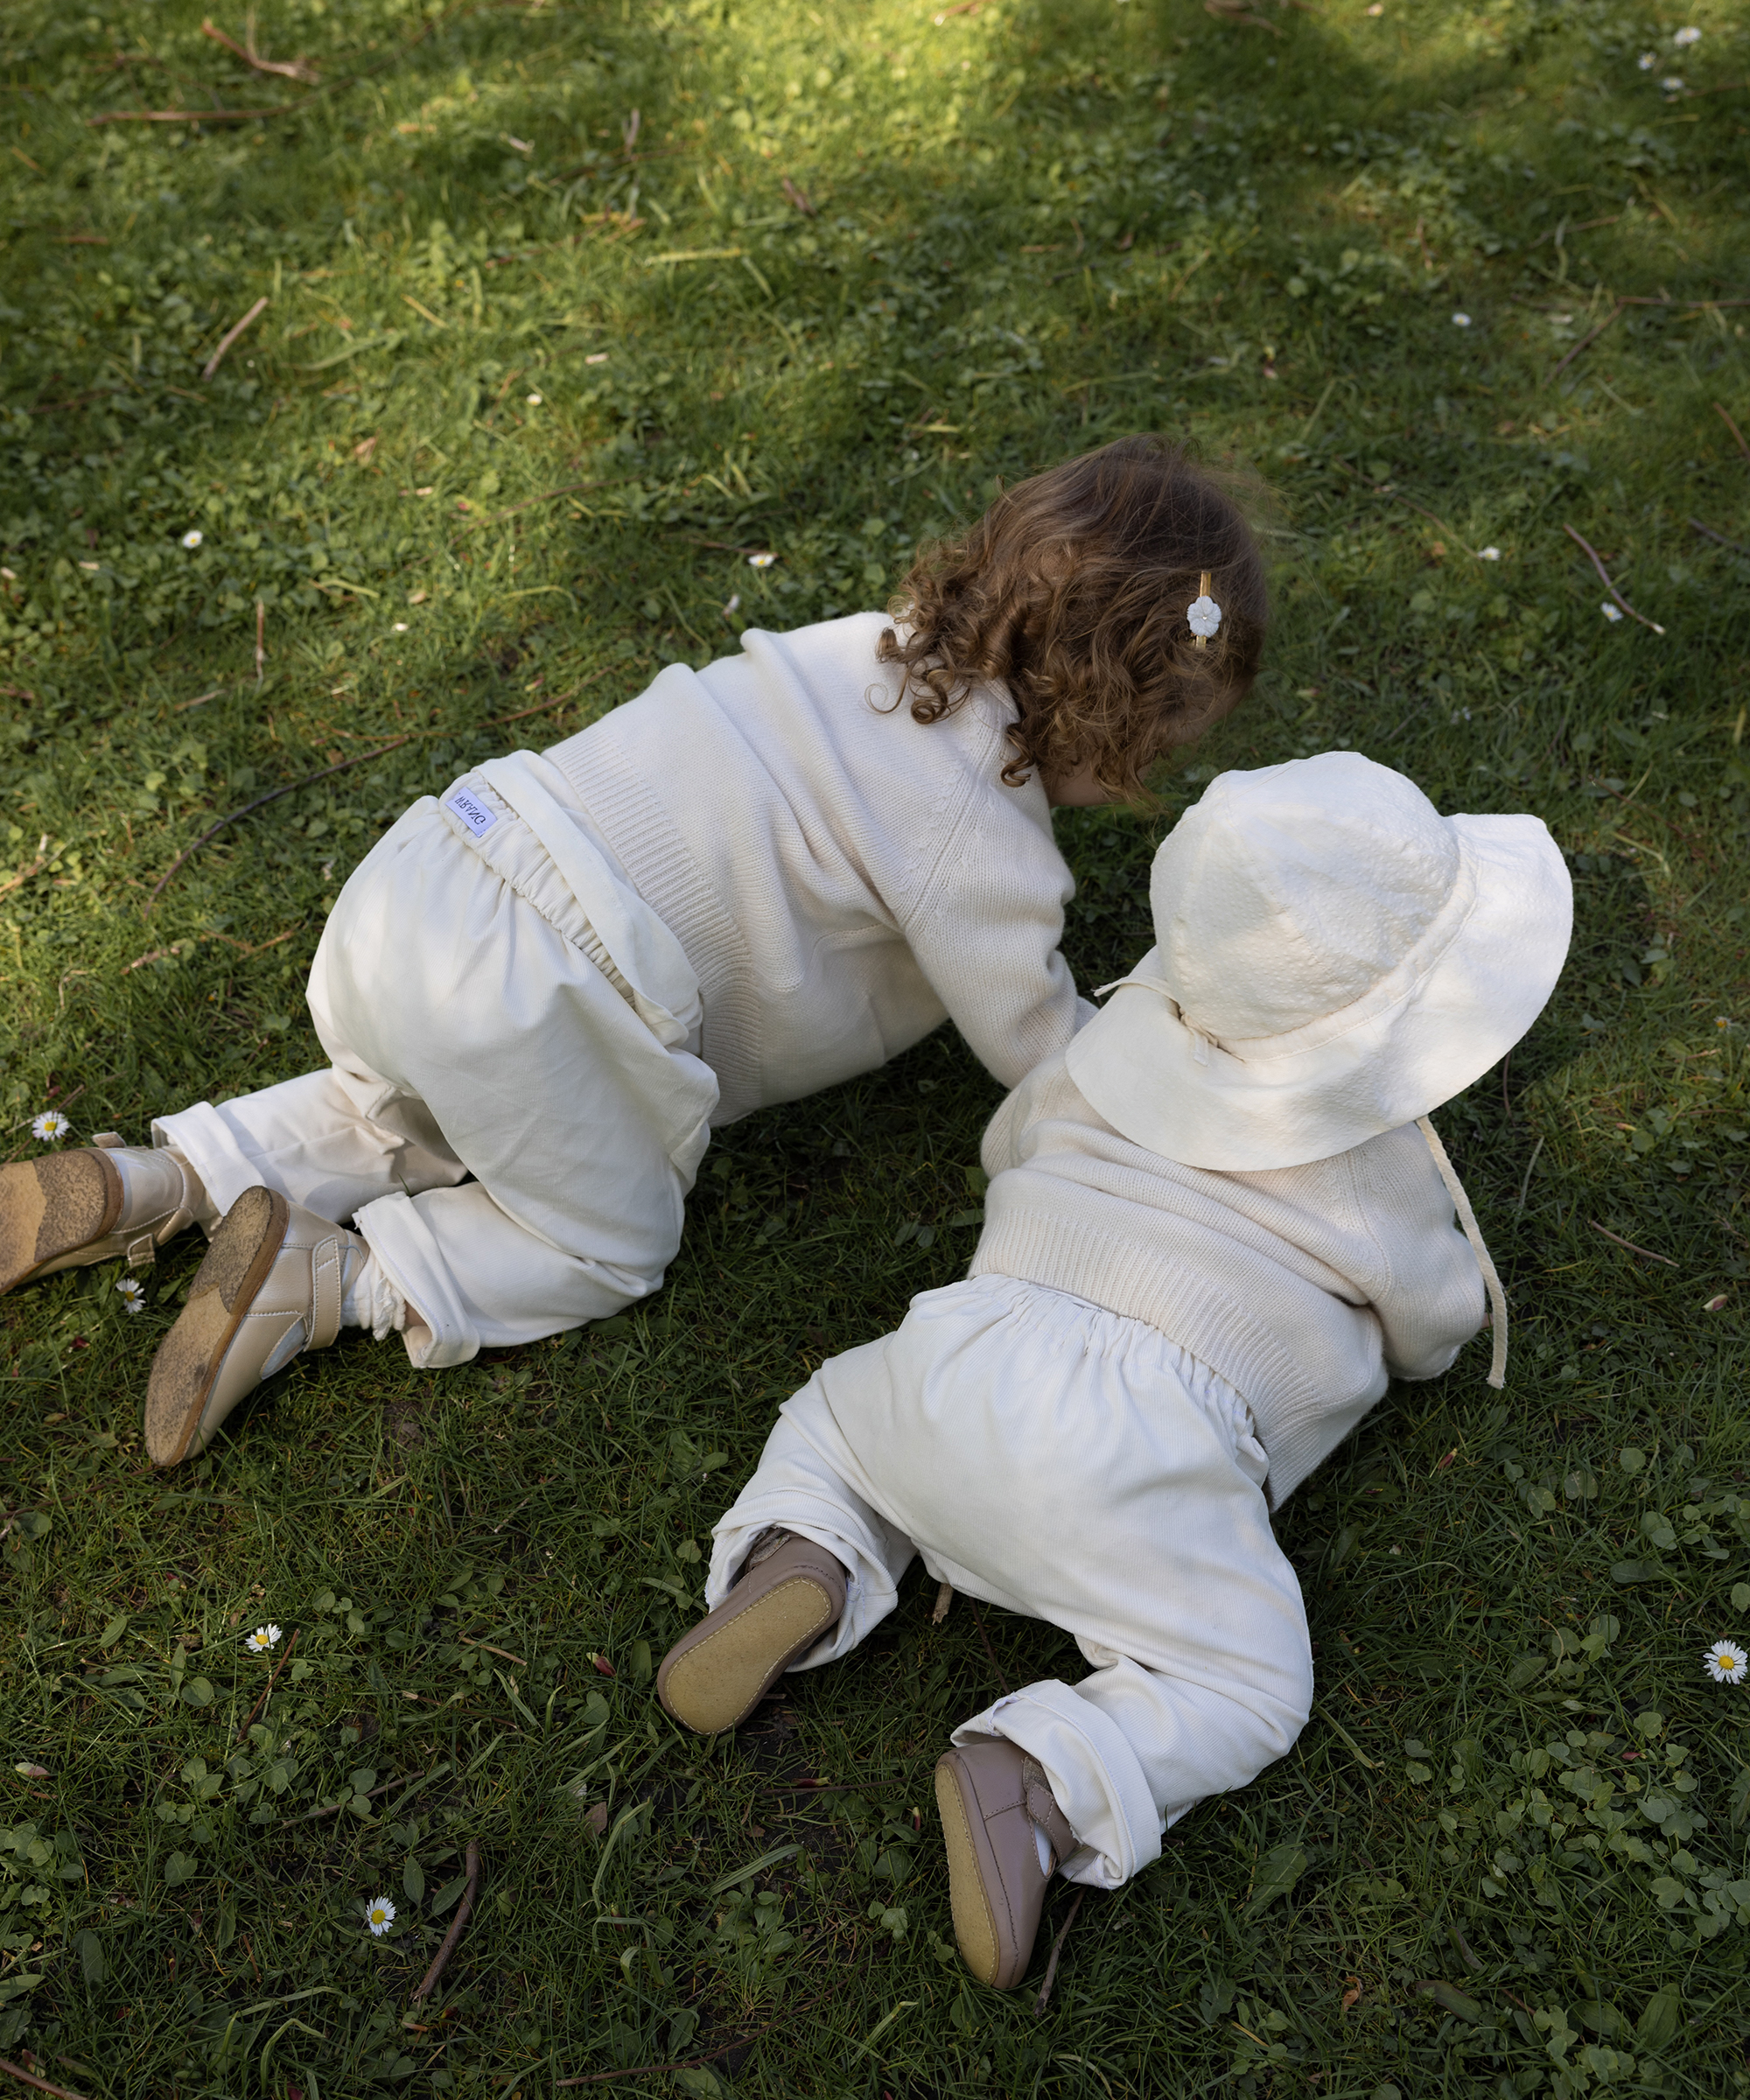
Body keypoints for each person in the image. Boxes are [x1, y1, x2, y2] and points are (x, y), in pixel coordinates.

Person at [0, 436, 1269, 1470]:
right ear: (1120, 718)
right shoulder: (980, 840)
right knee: (604, 1241)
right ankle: (335, 1277)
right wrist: (1208, 1101)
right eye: (1173, 744)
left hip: (434, 880)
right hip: (553, 993)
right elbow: (1049, 1062)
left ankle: (158, 1182)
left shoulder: (857, 653)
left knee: (409, 1107)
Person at [654, 751, 1572, 1991]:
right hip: (1148, 1454)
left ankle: (810, 1548)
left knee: (832, 1422)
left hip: (965, 1352)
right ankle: (1041, 1775)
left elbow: (1010, 1143)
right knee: (1249, 1682)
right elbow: (1433, 1324)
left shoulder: (1107, 1046)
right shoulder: (1383, 1161)